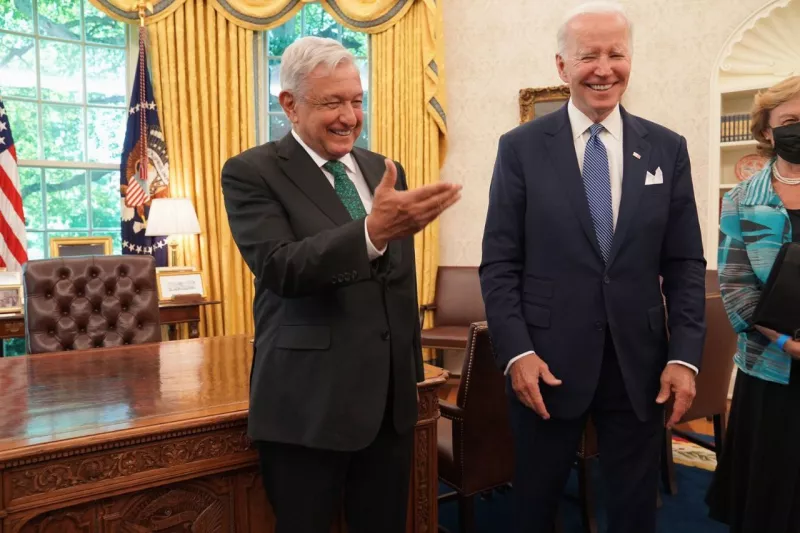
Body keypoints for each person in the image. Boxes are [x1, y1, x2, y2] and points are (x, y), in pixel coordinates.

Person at [479, 2, 706, 532]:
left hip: (640, 365)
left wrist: (686, 358)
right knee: (534, 503)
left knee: (633, 508)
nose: (604, 68)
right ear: (562, 67)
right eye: (588, 56)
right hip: (546, 365)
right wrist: (516, 353)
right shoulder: (520, 148)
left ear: (631, 60)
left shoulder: (667, 149)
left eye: (616, 54)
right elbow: (500, 262)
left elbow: (685, 263)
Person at [221, 36, 461, 533]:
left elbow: (395, 285)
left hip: (388, 409)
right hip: (307, 409)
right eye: (332, 102)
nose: (349, 117)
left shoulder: (381, 170)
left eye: (356, 101)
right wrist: (371, 233)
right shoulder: (252, 172)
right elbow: (280, 267)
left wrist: (411, 384)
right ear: (289, 103)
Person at [706, 75, 800, 533]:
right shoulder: (742, 199)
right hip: (769, 367)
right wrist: (787, 341)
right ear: (767, 130)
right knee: (770, 497)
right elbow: (737, 287)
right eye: (792, 121)